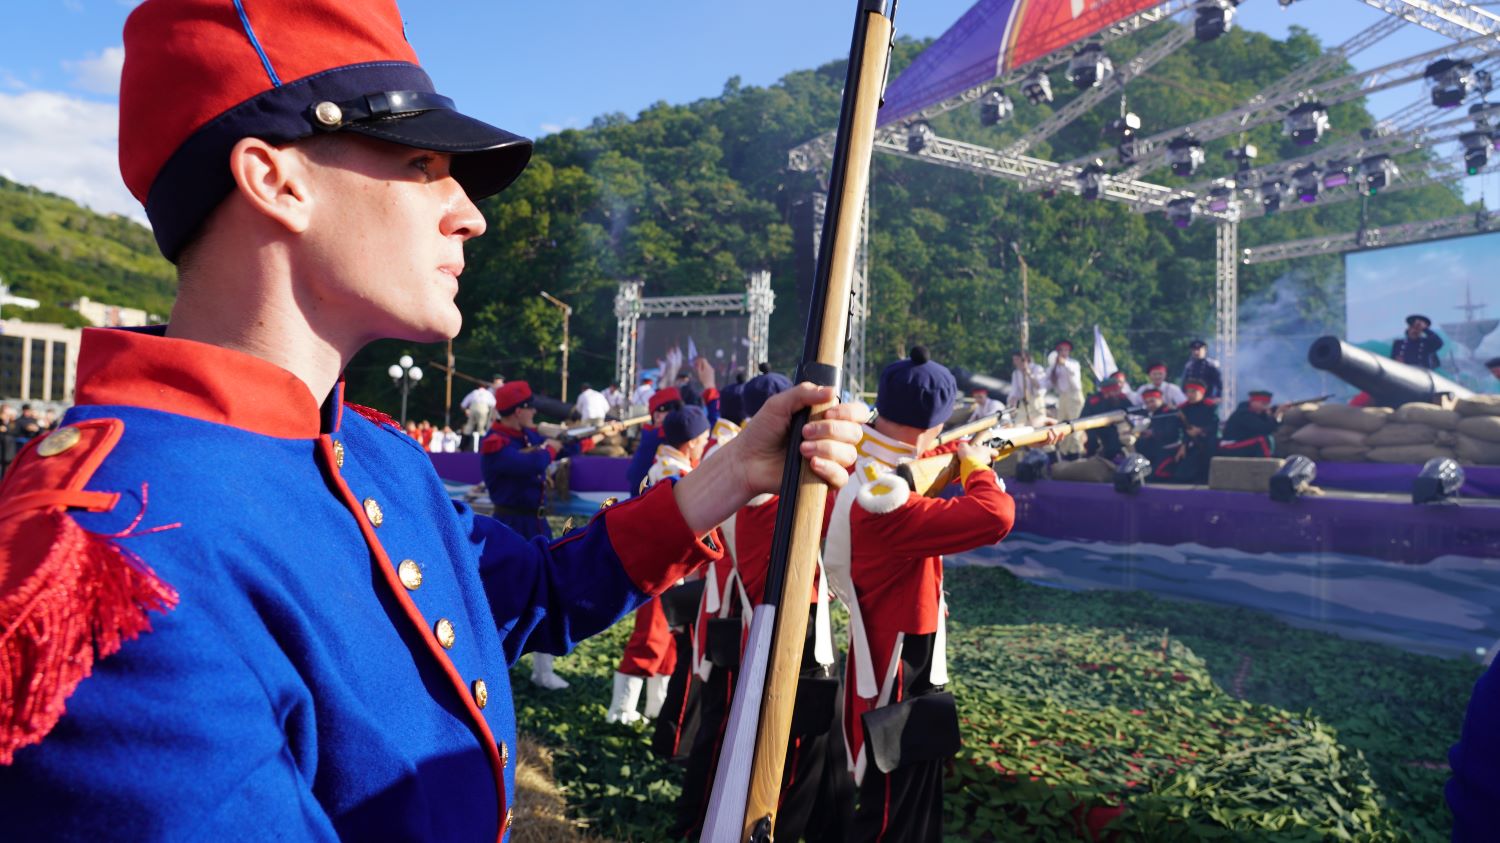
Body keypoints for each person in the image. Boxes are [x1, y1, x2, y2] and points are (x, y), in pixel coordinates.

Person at [0, 3, 865, 838]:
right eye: (420, 166)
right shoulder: (100, 560)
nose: (470, 213)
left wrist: (733, 471)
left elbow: (532, 596)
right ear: (276, 179)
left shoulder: (374, 453)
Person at [824, 346, 1017, 842]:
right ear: (934, 421)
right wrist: (976, 468)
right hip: (899, 666)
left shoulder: (860, 460)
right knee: (896, 815)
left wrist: (967, 453)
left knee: (892, 804)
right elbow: (996, 516)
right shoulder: (882, 497)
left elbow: (916, 463)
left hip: (889, 649)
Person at [672, 370, 845, 841]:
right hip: (781, 626)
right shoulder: (776, 485)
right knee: (782, 760)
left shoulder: (734, 461)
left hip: (753, 616)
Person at [607, 406, 713, 724]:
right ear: (691, 442)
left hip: (672, 570)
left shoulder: (672, 466)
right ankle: (621, 709)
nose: (707, 444)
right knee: (650, 637)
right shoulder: (673, 473)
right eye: (704, 439)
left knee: (668, 639)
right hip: (663, 571)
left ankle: (656, 705)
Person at [1155, 380, 1219, 483]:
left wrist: (1200, 430)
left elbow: (1215, 426)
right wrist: (1184, 444)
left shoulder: (1210, 406)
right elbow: (1180, 429)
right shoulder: (1183, 408)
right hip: (1188, 443)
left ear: (1201, 393)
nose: (1190, 395)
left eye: (1193, 392)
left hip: (1207, 443)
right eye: (1188, 392)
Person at [1046, 339, 1086, 459]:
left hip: (1074, 396)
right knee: (1062, 424)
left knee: (1075, 426)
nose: (1064, 352)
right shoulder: (1055, 367)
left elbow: (1075, 380)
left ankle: (1075, 452)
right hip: (1063, 397)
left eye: (1066, 350)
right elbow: (1050, 382)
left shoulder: (1073, 363)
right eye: (1061, 350)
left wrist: (1063, 363)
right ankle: (1064, 452)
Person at [1081, 376, 1133, 461]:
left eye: (1117, 390)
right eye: (1113, 391)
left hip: (1117, 430)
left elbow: (1132, 412)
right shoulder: (1093, 401)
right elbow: (1084, 418)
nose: (1116, 393)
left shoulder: (1122, 399)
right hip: (1096, 431)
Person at [1132, 387, 1184, 472]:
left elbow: (1171, 433)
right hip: (1156, 448)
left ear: (1160, 399)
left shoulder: (1170, 412)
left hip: (1169, 449)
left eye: (1152, 401)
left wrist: (1153, 433)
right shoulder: (1151, 414)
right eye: (1147, 402)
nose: (1150, 405)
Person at [1218, 390, 1281, 459]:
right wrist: (1275, 416)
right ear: (1253, 402)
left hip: (1240, 443)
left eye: (1267, 404)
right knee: (1261, 441)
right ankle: (1267, 465)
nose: (1266, 406)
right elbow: (1263, 429)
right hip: (1230, 445)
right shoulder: (1243, 414)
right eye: (1263, 403)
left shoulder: (1258, 414)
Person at [1007, 350, 1048, 427]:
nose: (1014, 362)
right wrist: (1012, 404)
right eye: (1014, 360)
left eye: (1016, 359)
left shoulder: (1037, 368)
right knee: (1018, 425)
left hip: (1036, 401)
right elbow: (1015, 391)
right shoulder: (1016, 373)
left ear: (1024, 359)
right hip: (1024, 401)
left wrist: (1028, 374)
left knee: (1037, 426)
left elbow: (1040, 386)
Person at [461, 376, 501, 450]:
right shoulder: (488, 393)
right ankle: (481, 448)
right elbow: (494, 404)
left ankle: (463, 447)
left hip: (472, 410)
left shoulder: (474, 392)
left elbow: (463, 404)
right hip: (483, 410)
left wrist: (466, 410)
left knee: (468, 428)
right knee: (481, 429)